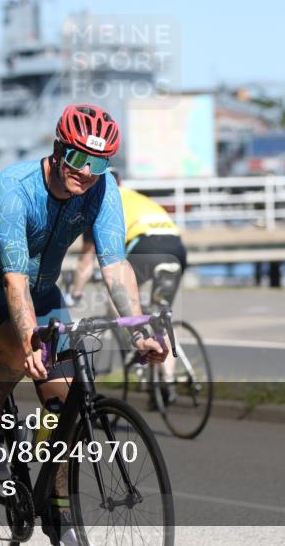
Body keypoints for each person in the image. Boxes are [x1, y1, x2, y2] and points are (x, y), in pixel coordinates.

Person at [0, 104, 167, 546]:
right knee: (14, 347)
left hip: (44, 292)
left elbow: (115, 264)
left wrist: (139, 328)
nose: (87, 172)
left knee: (67, 408)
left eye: (99, 162)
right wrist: (28, 341)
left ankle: (58, 511)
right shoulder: (15, 187)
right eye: (79, 158)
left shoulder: (101, 190)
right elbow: (12, 279)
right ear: (59, 148)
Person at [68, 171, 187, 403]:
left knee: (116, 298)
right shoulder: (134, 196)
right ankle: (168, 381)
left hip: (147, 245)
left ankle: (135, 343)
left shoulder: (99, 202)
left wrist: (75, 293)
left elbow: (86, 260)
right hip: (175, 246)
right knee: (162, 317)